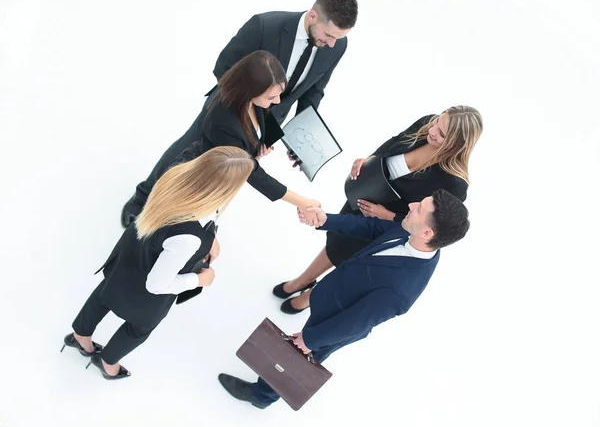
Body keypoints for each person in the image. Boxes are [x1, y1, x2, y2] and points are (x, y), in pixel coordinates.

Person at [120, 0, 358, 226]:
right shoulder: (264, 26)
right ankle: (143, 199)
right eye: (328, 35)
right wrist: (244, 116)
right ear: (313, 16)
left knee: (228, 173)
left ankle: (182, 216)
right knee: (186, 152)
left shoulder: (337, 45)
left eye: (338, 38)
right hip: (229, 109)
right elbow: (223, 67)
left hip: (271, 122)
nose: (331, 44)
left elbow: (314, 90)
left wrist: (298, 136)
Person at [218, 189, 471, 408]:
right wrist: (325, 220)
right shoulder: (409, 231)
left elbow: (356, 322)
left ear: (427, 232)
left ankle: (262, 395)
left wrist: (312, 340)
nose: (410, 206)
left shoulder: (402, 291)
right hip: (333, 294)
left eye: (419, 209)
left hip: (337, 322)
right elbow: (370, 227)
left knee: (299, 357)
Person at [60, 146, 255, 379]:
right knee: (139, 329)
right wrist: (199, 279)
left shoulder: (176, 177)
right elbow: (157, 285)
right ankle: (107, 362)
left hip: (130, 253)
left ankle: (80, 336)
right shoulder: (189, 238)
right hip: (147, 286)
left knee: (105, 293)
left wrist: (211, 237)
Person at [273, 106, 483, 313]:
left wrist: (387, 215)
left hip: (385, 226)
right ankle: (304, 279)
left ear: (458, 145)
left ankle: (310, 297)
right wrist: (370, 159)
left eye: (441, 133)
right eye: (438, 121)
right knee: (336, 240)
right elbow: (393, 143)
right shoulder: (428, 123)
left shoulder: (455, 184)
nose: (432, 130)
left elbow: (431, 223)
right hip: (363, 197)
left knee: (349, 261)